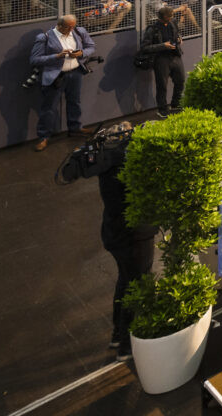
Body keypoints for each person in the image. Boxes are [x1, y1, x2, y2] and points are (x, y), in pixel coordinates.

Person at [96, 123, 154, 355]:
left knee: (125, 281)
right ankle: (128, 345)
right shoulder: (126, 168)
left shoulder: (106, 165)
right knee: (137, 284)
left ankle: (118, 334)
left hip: (113, 233)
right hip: (133, 235)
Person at [28, 14, 96, 151]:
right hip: (55, 76)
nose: (71, 29)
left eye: (73, 26)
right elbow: (34, 60)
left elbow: (91, 47)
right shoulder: (44, 38)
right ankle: (44, 137)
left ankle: (75, 128)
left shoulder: (79, 31)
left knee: (74, 102)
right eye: (68, 27)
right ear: (59, 25)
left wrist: (81, 53)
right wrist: (57, 56)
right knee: (49, 108)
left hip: (75, 73)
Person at [138, 5, 186, 115]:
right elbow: (145, 48)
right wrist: (163, 46)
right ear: (161, 17)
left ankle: (176, 104)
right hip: (161, 59)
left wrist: (179, 39)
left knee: (180, 81)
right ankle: (162, 109)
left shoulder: (173, 22)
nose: (171, 18)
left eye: (171, 16)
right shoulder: (152, 29)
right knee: (162, 86)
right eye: (168, 17)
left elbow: (177, 33)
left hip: (175, 56)